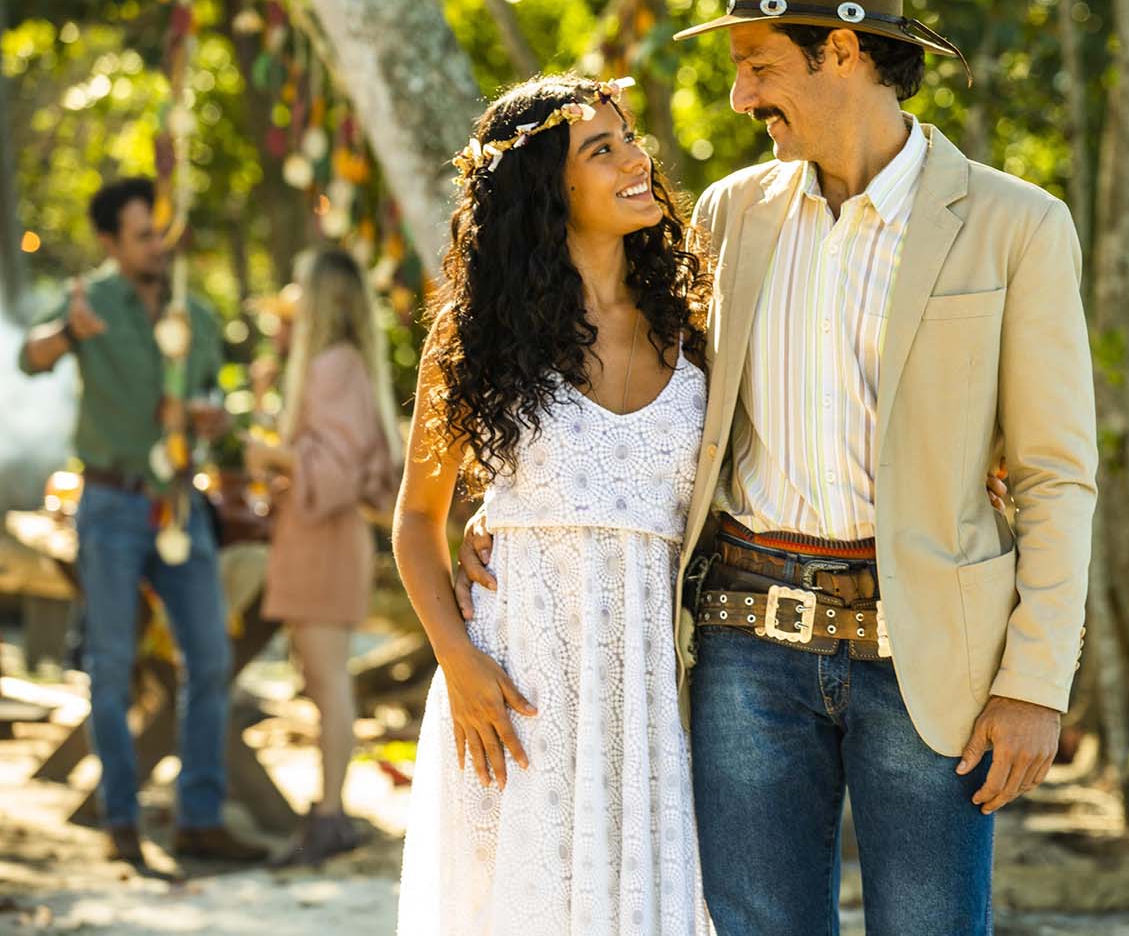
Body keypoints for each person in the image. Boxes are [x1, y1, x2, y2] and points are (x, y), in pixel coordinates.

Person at [665, 0, 1099, 932]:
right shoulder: (731, 215)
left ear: (848, 52)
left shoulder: (1015, 226)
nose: (740, 98)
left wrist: (1036, 682)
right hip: (745, 649)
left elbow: (1056, 476)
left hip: (929, 661)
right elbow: (667, 417)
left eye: (760, 67)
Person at [392, 74, 715, 935]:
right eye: (600, 150)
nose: (636, 159)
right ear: (546, 187)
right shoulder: (475, 333)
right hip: (518, 680)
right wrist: (458, 661)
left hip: (658, 685)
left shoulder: (697, 319)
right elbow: (418, 519)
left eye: (630, 137)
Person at [18, 178, 266, 865]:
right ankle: (120, 818)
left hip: (183, 503)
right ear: (110, 241)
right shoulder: (89, 301)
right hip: (110, 504)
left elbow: (218, 393)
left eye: (160, 230)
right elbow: (28, 358)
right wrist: (68, 333)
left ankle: (200, 817)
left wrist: (215, 414)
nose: (157, 244)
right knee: (110, 665)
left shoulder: (198, 309)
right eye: (141, 235)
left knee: (212, 658)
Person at [245, 247, 402, 866]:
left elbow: (335, 471)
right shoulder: (342, 363)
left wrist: (273, 457)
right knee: (320, 680)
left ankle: (331, 814)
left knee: (329, 682)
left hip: (325, 539)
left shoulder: (335, 364)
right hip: (318, 537)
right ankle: (328, 808)